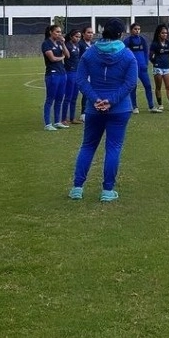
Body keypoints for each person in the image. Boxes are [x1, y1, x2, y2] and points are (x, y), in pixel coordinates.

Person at [69, 18, 137, 202]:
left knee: (88, 146)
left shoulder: (90, 54)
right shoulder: (128, 55)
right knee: (113, 148)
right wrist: (111, 101)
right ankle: (107, 191)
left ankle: (77, 187)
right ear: (120, 34)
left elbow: (81, 80)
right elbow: (130, 83)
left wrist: (96, 99)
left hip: (94, 108)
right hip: (119, 109)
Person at [41, 24, 69, 130]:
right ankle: (48, 124)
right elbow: (52, 59)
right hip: (52, 74)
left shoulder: (58, 43)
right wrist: (61, 57)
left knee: (59, 98)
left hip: (62, 73)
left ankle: (57, 122)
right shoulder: (46, 44)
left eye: (60, 32)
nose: (59, 34)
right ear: (51, 32)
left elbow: (67, 55)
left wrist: (63, 43)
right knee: (50, 99)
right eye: (57, 32)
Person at [125, 22, 156, 113]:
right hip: (133, 69)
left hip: (143, 68)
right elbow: (124, 53)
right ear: (131, 30)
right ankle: (134, 107)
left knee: (148, 86)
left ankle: (151, 106)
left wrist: (146, 63)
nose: (137, 31)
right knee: (133, 87)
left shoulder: (142, 40)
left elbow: (146, 52)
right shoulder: (128, 41)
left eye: (138, 29)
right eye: (135, 29)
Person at [149, 24, 169, 112]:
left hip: (167, 67)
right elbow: (150, 56)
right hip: (158, 68)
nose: (164, 35)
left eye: (166, 33)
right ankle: (160, 105)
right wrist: (156, 63)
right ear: (158, 34)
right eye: (162, 33)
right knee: (158, 87)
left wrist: (166, 61)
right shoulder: (154, 44)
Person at [61, 28, 83, 125]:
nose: (78, 38)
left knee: (74, 96)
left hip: (77, 72)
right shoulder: (67, 45)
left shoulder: (77, 45)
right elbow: (67, 56)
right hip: (69, 72)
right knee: (68, 97)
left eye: (79, 37)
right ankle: (64, 118)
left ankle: (72, 118)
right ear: (71, 36)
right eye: (76, 36)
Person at [76, 26, 95, 120]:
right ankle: (83, 113)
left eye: (92, 32)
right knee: (86, 92)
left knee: (94, 91)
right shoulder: (80, 44)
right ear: (83, 34)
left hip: (94, 71)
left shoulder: (94, 44)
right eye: (88, 32)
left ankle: (92, 110)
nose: (90, 34)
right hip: (85, 71)